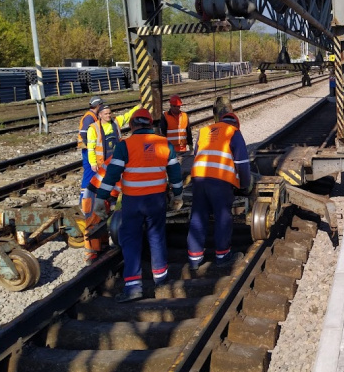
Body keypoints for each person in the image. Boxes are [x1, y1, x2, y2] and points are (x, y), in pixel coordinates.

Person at [94, 108, 183, 303]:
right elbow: (175, 174)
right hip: (157, 201)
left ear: (132, 125)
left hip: (133, 202)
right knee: (157, 236)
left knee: (131, 239)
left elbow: (112, 175)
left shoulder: (125, 146)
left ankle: (133, 287)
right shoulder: (165, 144)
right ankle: (161, 279)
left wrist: (101, 198)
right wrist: (178, 195)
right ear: (151, 125)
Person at [187, 102, 251, 270]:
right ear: (236, 123)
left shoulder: (204, 131)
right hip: (220, 181)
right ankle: (222, 255)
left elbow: (196, 154)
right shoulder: (234, 133)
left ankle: (194, 259)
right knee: (222, 217)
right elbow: (242, 164)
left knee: (198, 216)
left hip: (198, 180)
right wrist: (244, 185)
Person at [79, 155, 120, 264]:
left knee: (103, 219)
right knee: (93, 224)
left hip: (105, 192)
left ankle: (104, 247)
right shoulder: (125, 159)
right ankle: (91, 255)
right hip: (95, 191)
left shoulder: (125, 155)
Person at [87, 103, 139, 173]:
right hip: (102, 162)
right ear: (100, 115)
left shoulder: (115, 121)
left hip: (117, 159)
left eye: (109, 113)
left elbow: (128, 116)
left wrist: (138, 106)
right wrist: (93, 163)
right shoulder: (93, 128)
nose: (108, 115)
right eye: (106, 114)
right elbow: (91, 149)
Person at [78, 96, 104, 199]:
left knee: (91, 173)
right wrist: (91, 146)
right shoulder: (90, 117)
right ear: (98, 106)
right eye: (101, 105)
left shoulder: (92, 115)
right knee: (89, 173)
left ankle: (88, 198)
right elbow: (84, 132)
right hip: (87, 149)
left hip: (87, 149)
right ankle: (84, 199)